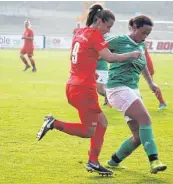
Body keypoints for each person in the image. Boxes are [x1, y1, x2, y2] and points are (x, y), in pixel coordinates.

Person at [36, 4, 141, 176]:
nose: (108, 31)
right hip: (84, 89)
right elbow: (110, 57)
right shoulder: (94, 35)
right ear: (98, 21)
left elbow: (86, 55)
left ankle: (93, 161)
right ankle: (53, 123)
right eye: (107, 26)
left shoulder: (81, 33)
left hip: (73, 85)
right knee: (88, 131)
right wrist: (131, 55)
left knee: (102, 123)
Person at [105, 15, 167, 174]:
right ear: (134, 28)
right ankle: (154, 160)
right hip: (117, 88)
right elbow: (98, 50)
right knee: (145, 119)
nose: (145, 36)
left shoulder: (142, 45)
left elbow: (143, 65)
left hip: (132, 89)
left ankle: (113, 161)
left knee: (139, 136)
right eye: (143, 32)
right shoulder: (119, 40)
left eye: (148, 34)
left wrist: (150, 82)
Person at [129, 18, 167, 109]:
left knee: (151, 83)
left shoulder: (140, 41)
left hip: (145, 64)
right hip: (139, 64)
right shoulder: (133, 39)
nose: (145, 35)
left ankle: (162, 102)